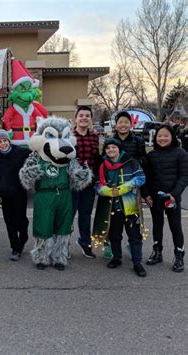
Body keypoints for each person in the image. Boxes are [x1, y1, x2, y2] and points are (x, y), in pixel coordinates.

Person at [96, 138, 147, 277]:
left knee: (134, 235)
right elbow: (97, 184)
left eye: (113, 147)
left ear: (119, 149)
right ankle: (116, 257)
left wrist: (126, 187)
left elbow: (141, 177)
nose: (111, 150)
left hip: (129, 203)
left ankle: (137, 262)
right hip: (112, 205)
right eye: (108, 148)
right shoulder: (103, 165)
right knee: (114, 234)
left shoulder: (131, 162)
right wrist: (105, 190)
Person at [142, 125, 188, 272]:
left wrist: (174, 194)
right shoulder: (151, 155)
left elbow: (184, 176)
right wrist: (146, 194)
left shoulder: (181, 153)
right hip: (155, 198)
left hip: (172, 198)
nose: (162, 138)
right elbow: (145, 177)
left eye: (166, 135)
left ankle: (179, 254)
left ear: (172, 137)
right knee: (157, 225)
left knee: (176, 227)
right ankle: (157, 251)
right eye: (159, 136)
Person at [0, 129, 30, 261]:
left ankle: (23, 236)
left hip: (19, 192)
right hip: (4, 194)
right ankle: (15, 248)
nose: (3, 144)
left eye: (4, 140)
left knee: (20, 220)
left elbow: (35, 153)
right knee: (9, 222)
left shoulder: (19, 151)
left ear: (9, 140)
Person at [72, 106, 101, 258]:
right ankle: (64, 245)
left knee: (85, 214)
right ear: (75, 118)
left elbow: (97, 159)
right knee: (68, 215)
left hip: (89, 182)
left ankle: (85, 242)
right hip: (72, 183)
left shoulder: (94, 136)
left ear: (90, 119)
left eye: (87, 116)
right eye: (81, 115)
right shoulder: (67, 135)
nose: (84, 118)